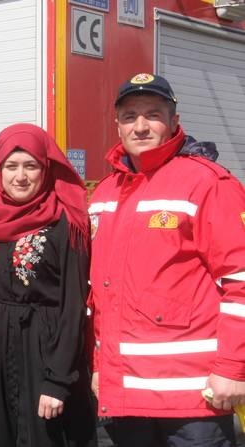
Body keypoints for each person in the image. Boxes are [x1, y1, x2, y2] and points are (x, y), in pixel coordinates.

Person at [88, 73, 245, 446]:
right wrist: (100, 368)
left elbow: (240, 280)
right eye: (130, 116)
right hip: (126, 396)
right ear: (118, 125)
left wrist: (233, 369)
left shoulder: (207, 183)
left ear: (174, 121)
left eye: (153, 114)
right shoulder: (104, 194)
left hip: (193, 401)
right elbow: (100, 296)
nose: (140, 126)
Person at [0, 123, 96, 447]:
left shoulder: (66, 221)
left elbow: (73, 305)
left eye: (30, 166)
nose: (20, 176)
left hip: (46, 351)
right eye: (11, 166)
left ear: (45, 167)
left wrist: (58, 379)